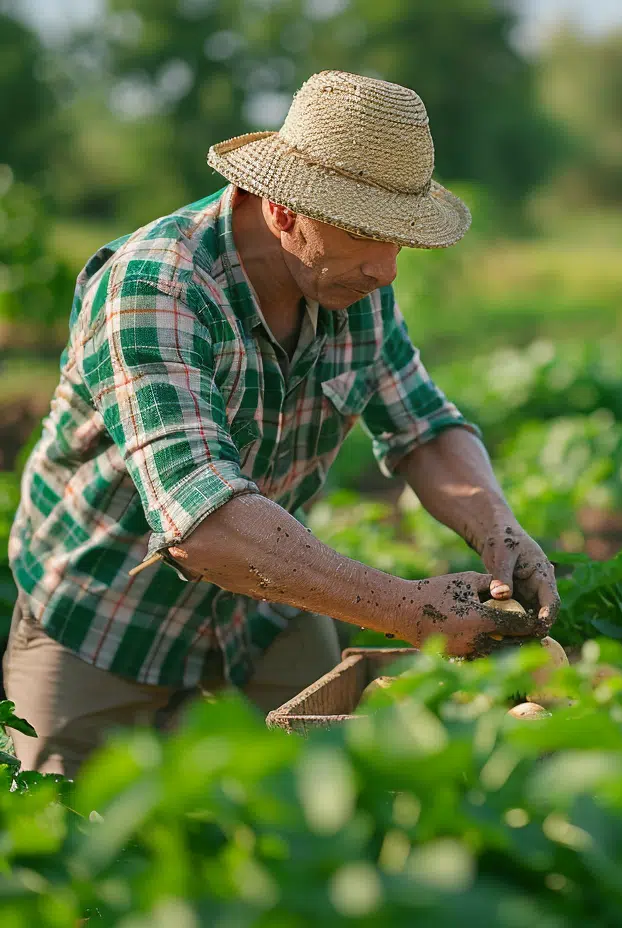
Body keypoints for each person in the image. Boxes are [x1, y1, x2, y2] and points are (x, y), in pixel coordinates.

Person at [3, 70, 558, 776]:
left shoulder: (352, 282)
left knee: (320, 827)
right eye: (364, 233)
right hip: (106, 616)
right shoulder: (155, 285)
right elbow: (204, 525)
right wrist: (409, 609)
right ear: (283, 211)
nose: (387, 269)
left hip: (266, 612)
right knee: (74, 843)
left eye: (399, 238)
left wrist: (500, 531)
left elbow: (424, 427)